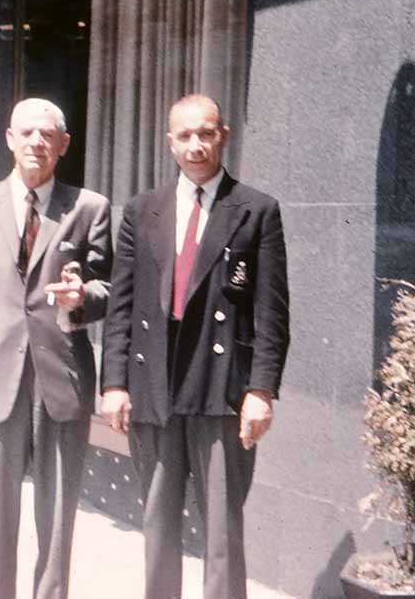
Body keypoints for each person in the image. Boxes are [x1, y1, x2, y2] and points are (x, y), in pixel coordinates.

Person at [101, 94, 290, 599]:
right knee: (157, 526)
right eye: (184, 135)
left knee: (223, 533)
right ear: (169, 143)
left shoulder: (255, 211)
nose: (196, 145)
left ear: (223, 135)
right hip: (154, 387)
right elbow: (122, 303)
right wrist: (115, 383)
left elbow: (271, 314)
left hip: (220, 391)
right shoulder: (142, 211)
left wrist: (261, 391)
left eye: (205, 133)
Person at [0, 98, 112, 599]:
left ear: (63, 146)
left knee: (57, 515)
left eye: (48, 135)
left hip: (61, 376)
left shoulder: (89, 208)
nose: (37, 142)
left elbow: (109, 289)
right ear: (9, 140)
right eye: (28, 133)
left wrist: (82, 298)